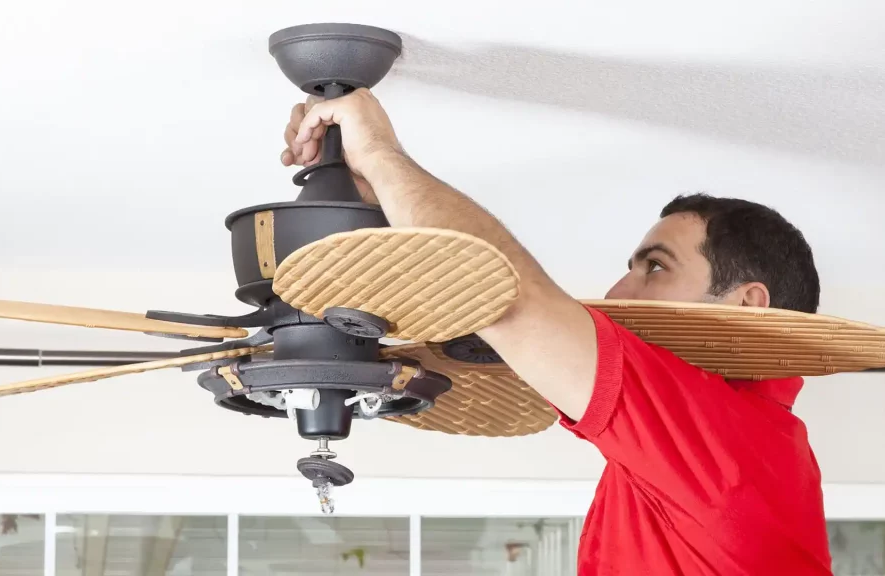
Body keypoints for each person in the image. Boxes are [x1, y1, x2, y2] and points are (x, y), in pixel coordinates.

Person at [281, 89, 833, 575]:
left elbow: (502, 297)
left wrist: (380, 155)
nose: (618, 294)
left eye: (656, 267)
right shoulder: (722, 452)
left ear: (747, 306)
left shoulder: (731, 444)